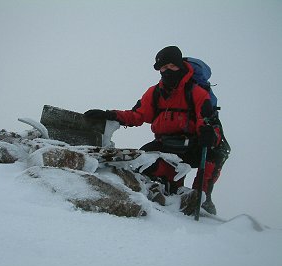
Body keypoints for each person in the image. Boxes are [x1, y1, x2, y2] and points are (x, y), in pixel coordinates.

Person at [84, 46, 224, 215]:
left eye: (171, 66)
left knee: (213, 157)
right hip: (166, 144)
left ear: (179, 65)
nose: (167, 71)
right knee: (146, 166)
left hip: (193, 145)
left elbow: (208, 121)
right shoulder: (155, 92)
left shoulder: (197, 93)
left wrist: (209, 134)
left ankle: (201, 201)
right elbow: (137, 115)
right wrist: (111, 115)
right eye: (163, 68)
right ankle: (173, 200)